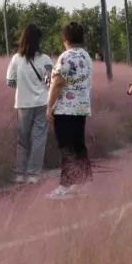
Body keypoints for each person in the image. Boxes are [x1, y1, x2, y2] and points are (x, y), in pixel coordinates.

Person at [45, 22, 93, 199]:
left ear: (64, 39)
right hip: (81, 108)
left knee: (66, 147)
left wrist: (49, 106)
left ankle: (65, 186)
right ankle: (82, 182)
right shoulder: (86, 57)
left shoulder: (65, 57)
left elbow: (57, 82)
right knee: (79, 146)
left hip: (65, 109)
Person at [5, 24, 53, 185]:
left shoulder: (16, 59)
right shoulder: (45, 59)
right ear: (39, 40)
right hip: (42, 103)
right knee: (38, 138)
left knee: (22, 140)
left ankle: (20, 174)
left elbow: (10, 81)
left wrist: (23, 85)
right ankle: (33, 174)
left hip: (22, 104)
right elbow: (50, 82)